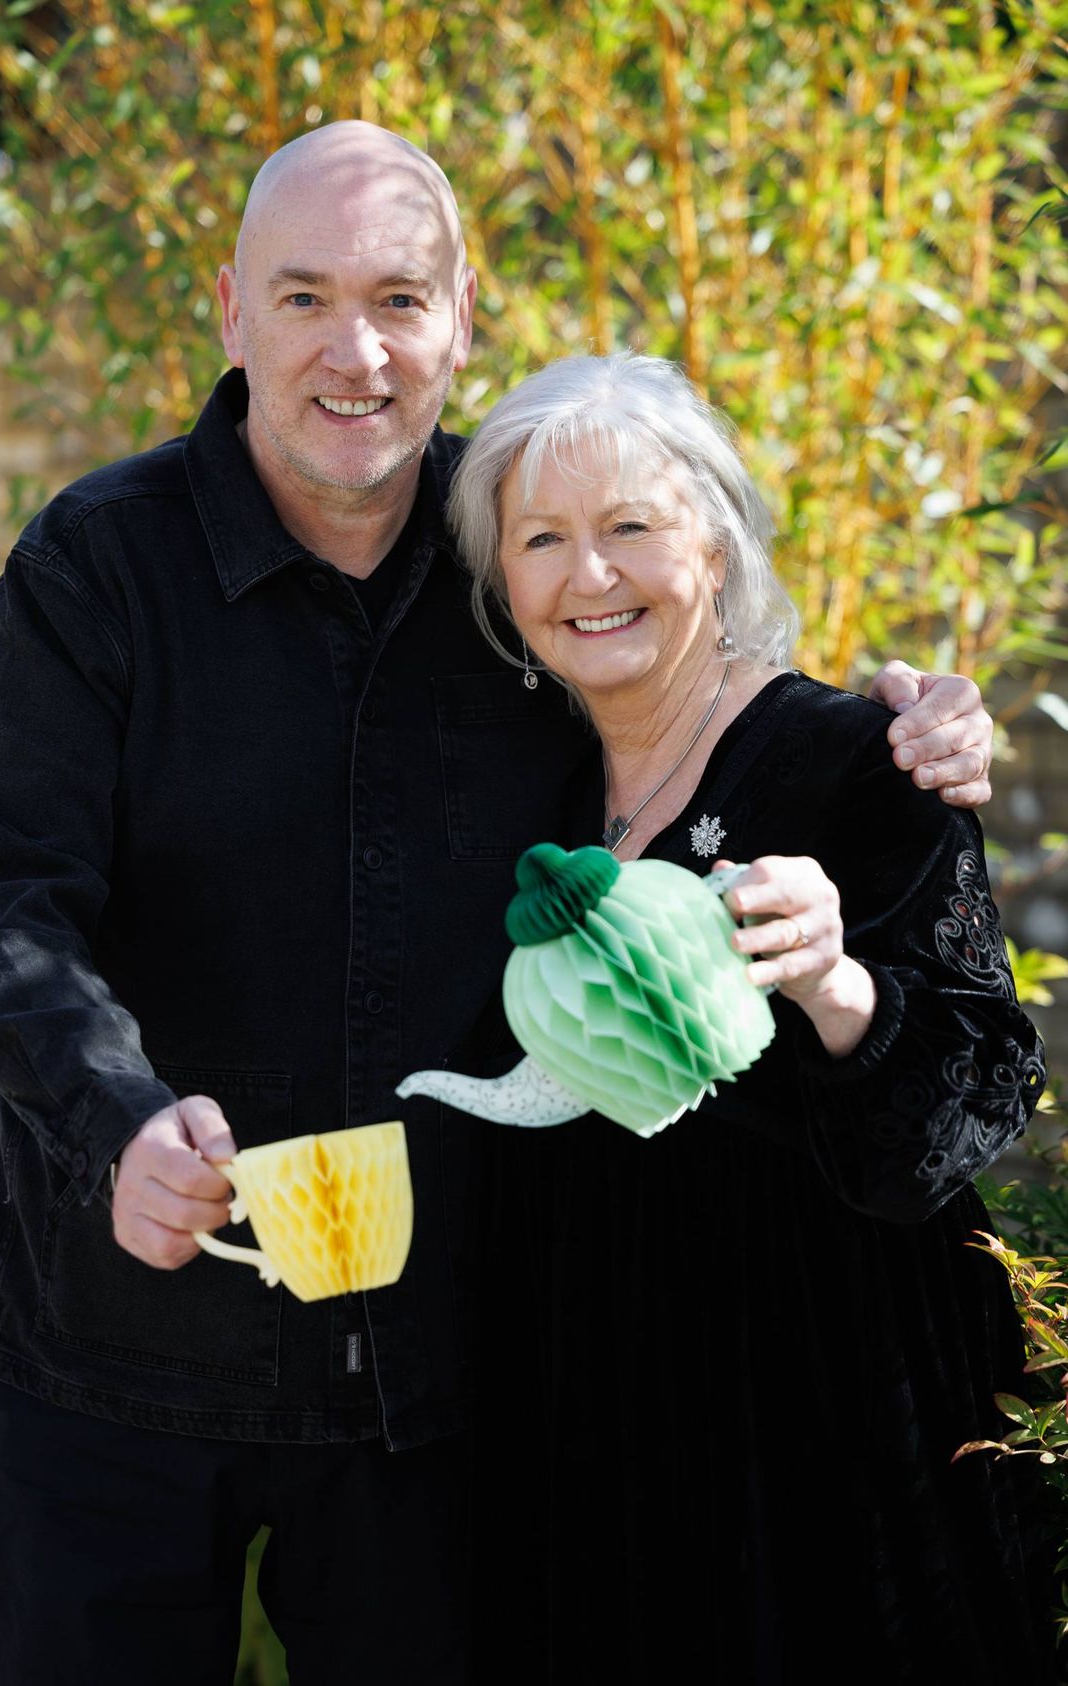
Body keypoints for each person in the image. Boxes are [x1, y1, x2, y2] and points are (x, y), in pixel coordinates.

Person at [0, 122, 999, 1686]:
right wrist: (116, 1116)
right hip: (120, 1360)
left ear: (462, 319)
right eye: (303, 297)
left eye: (399, 298)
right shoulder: (99, 567)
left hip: (439, 1405)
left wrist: (903, 728)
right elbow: (0, 901)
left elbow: (689, 671)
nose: (354, 351)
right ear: (229, 308)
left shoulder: (517, 549)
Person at [447, 350, 1052, 1684]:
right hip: (585, 1409)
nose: (586, 576)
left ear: (715, 534)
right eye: (541, 538)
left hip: (821, 1420)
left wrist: (835, 983)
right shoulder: (520, 778)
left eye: (630, 527)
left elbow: (962, 1106)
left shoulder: (862, 766)